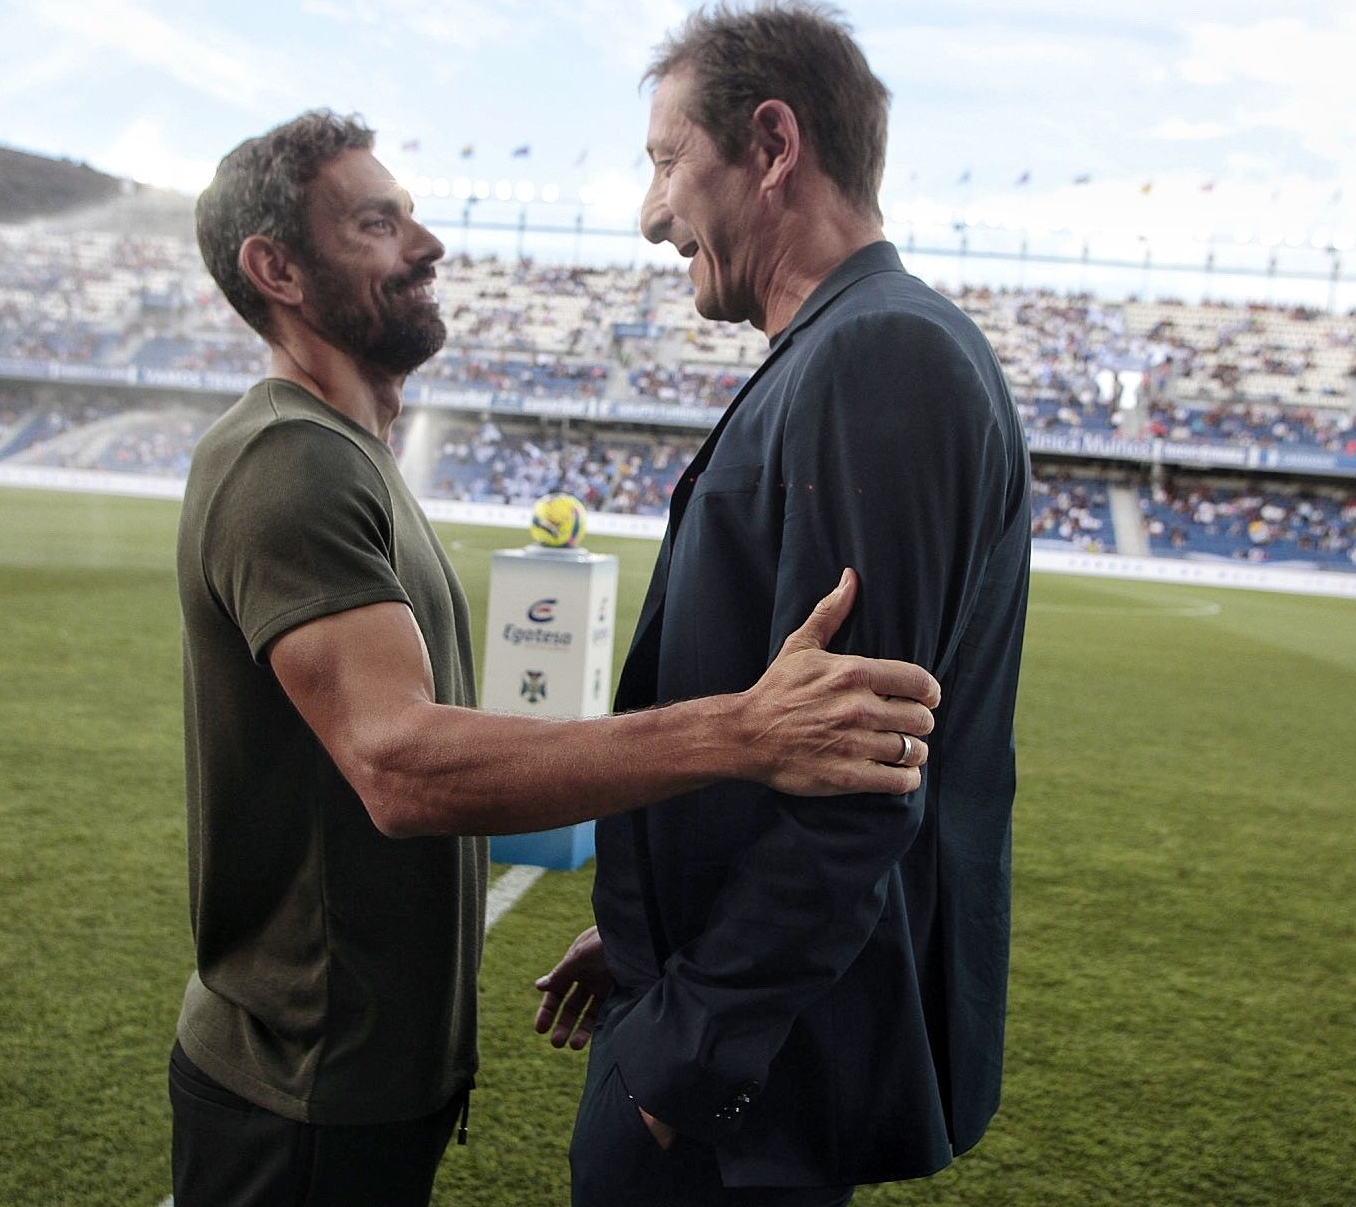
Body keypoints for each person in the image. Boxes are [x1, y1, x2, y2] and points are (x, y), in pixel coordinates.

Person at [170, 109, 943, 1207]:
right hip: (297, 1087)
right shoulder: (290, 463)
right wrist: (743, 731)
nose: (427, 244)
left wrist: (638, 925)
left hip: (359, 1074)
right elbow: (399, 764)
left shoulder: (346, 454)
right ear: (277, 268)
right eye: (379, 224)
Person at [535, 0, 1031, 1205]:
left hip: (743, 1094)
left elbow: (855, 780)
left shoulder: (882, 355)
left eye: (665, 162)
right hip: (727, 1027)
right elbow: (777, 710)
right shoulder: (846, 346)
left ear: (772, 145)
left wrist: (679, 1052)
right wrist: (654, 922)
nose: (651, 213)